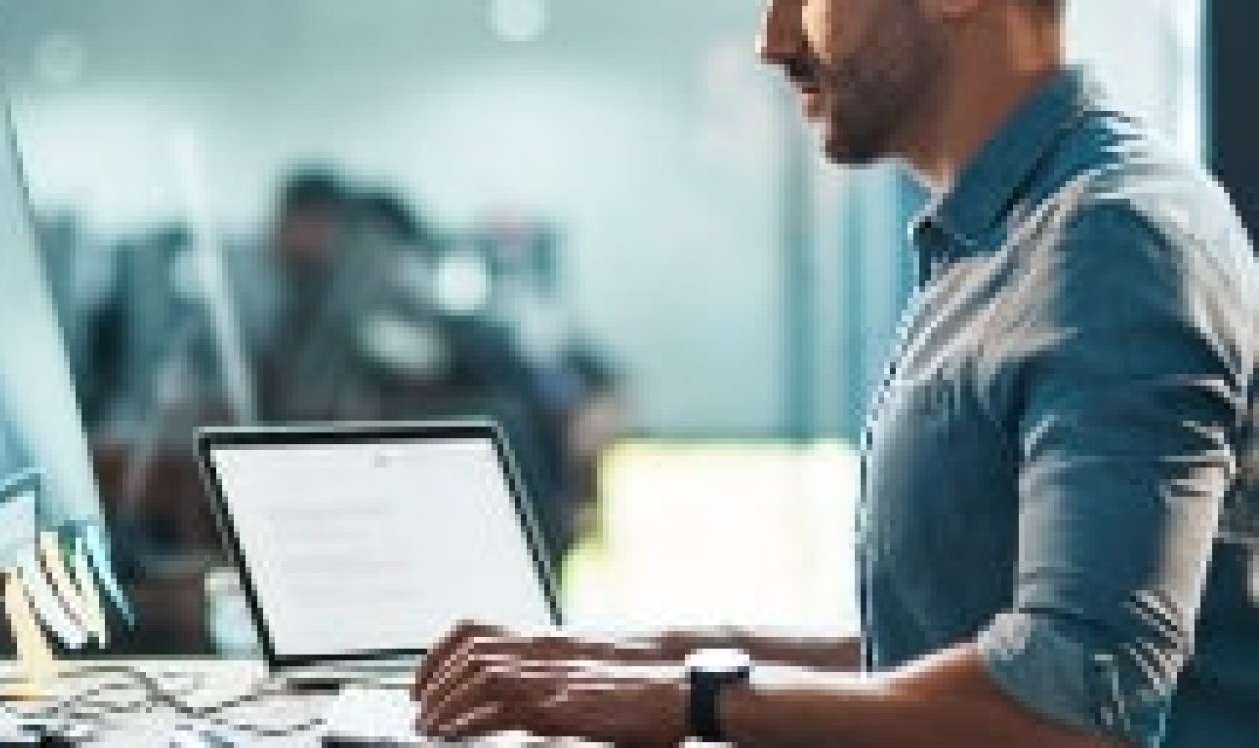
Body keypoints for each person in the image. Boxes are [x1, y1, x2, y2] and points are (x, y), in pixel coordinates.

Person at [412, 0, 1258, 746]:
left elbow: (1069, 710)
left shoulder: (1116, 240)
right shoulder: (997, 241)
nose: (772, 40)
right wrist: (632, 656)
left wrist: (692, 700)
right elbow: (944, 655)